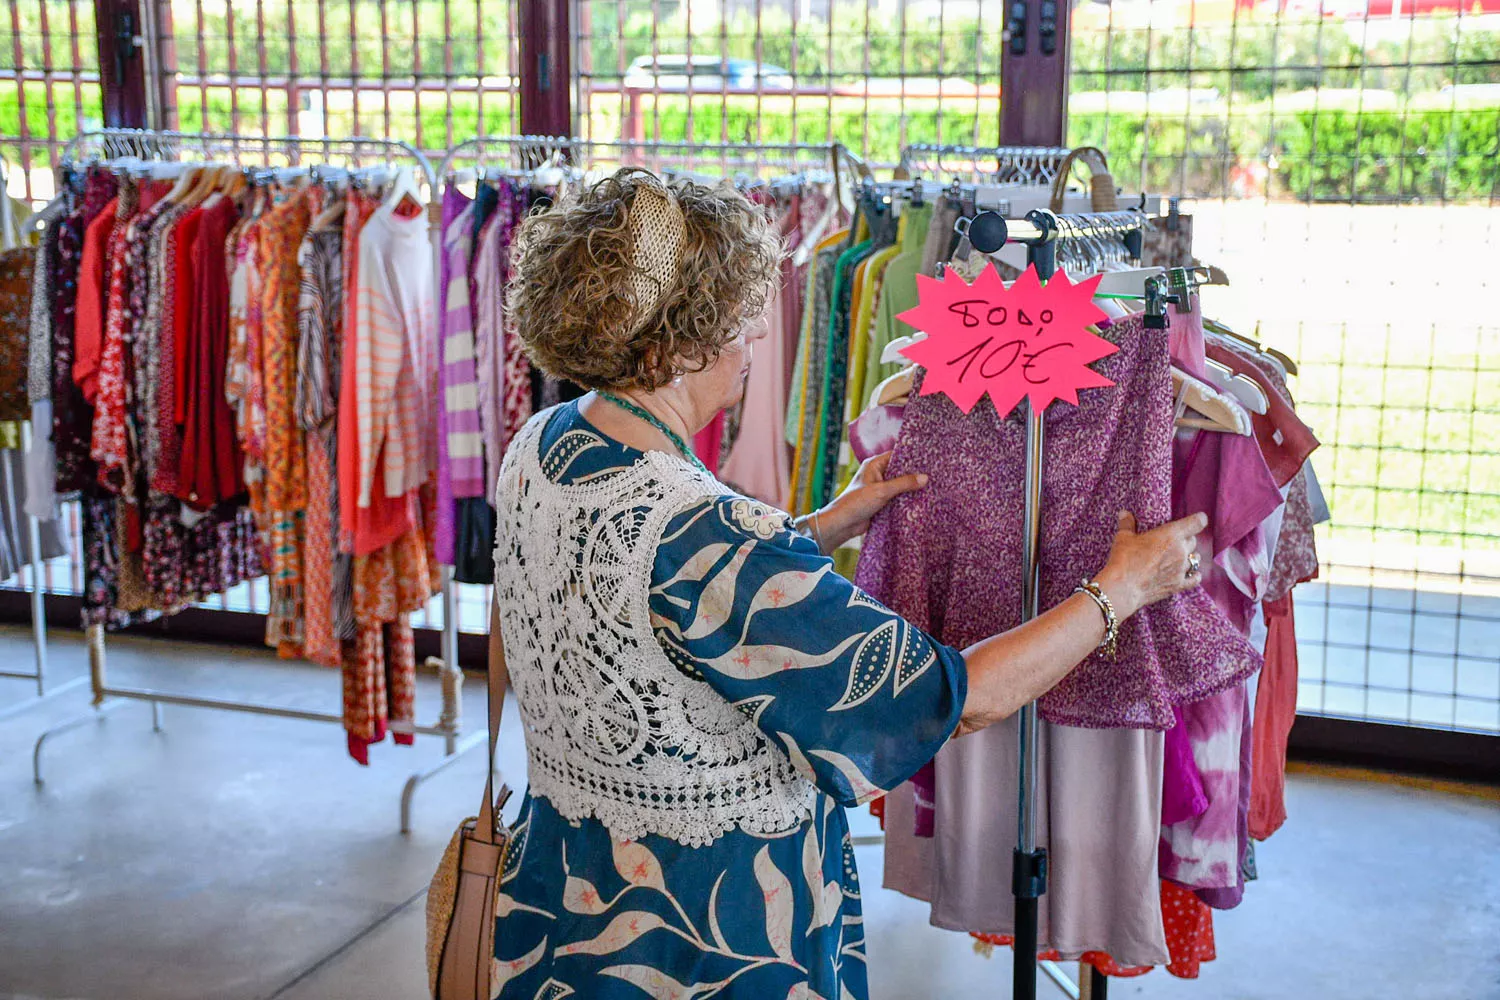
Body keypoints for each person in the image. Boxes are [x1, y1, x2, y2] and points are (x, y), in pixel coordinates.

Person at [484, 168, 1205, 999]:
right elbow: (948, 698)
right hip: (704, 939)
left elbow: (641, 597)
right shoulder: (705, 533)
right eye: (735, 328)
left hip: (560, 904)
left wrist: (818, 529)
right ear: (680, 348)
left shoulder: (545, 446)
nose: (751, 347)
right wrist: (1120, 589)